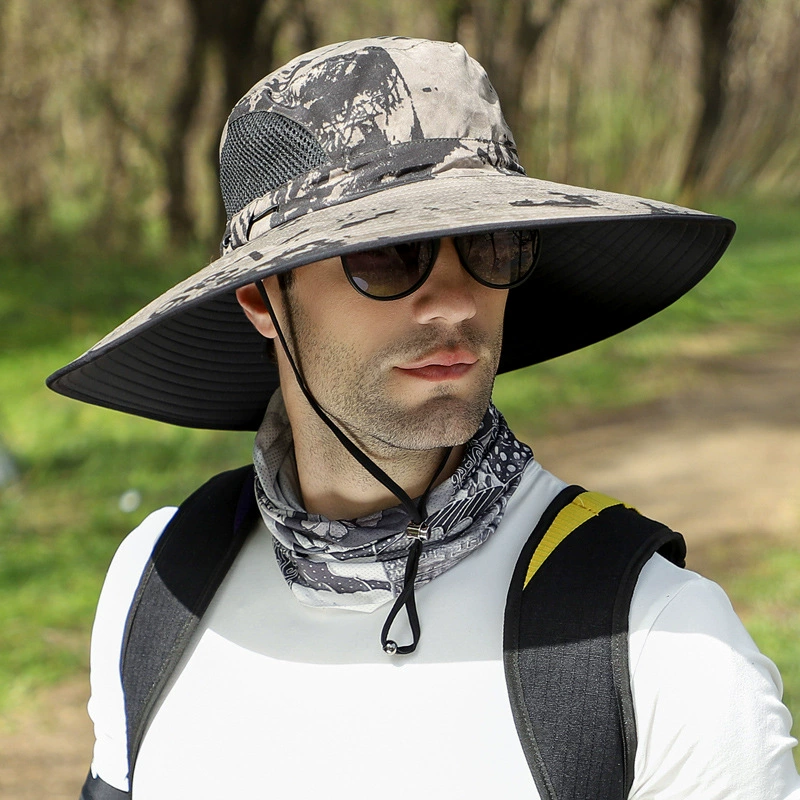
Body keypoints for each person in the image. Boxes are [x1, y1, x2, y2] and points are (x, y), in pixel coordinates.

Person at [48, 37, 800, 799]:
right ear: (262, 299)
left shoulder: (662, 644)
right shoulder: (159, 580)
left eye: (491, 246)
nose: (455, 303)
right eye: (385, 256)